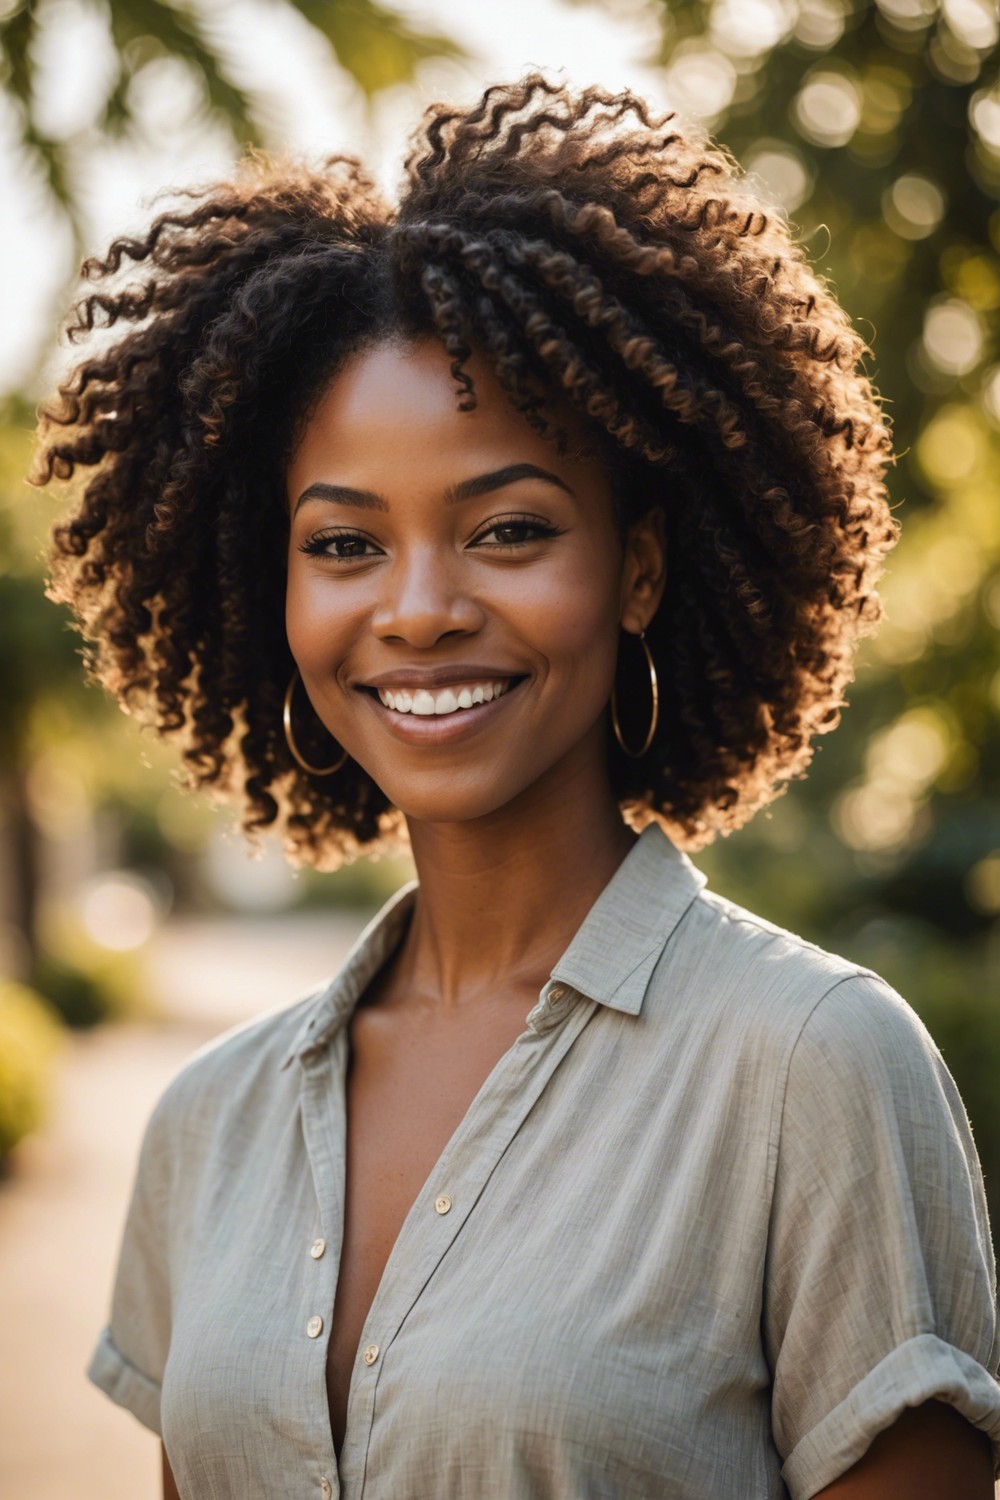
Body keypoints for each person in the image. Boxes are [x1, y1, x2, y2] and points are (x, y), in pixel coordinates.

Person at [33, 76, 1000, 1500]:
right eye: (345, 545)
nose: (418, 609)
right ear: (274, 590)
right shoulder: (209, 1121)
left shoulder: (813, 1070)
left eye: (508, 528)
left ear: (641, 567)